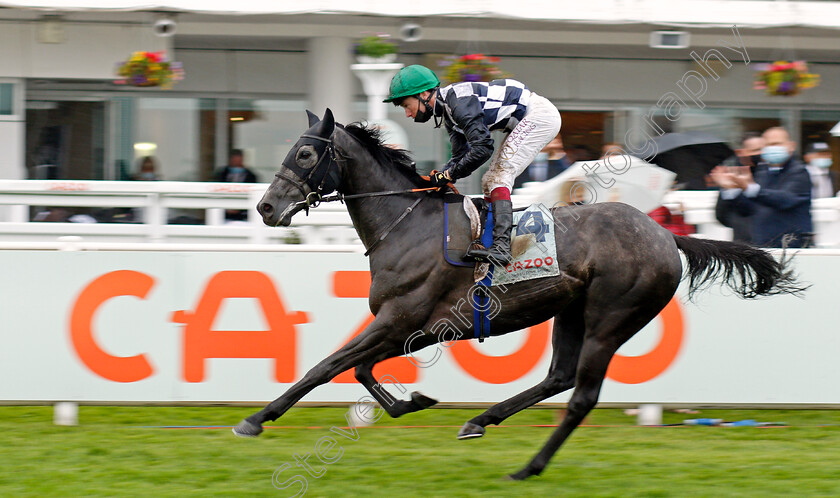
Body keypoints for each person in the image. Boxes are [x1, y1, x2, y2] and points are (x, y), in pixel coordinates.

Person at [385, 64, 562, 265]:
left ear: (424, 94)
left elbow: (483, 149)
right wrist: (438, 178)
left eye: (407, 106)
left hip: (539, 116)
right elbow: (460, 155)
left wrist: (447, 176)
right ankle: (489, 242)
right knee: (489, 181)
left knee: (499, 177)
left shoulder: (457, 103)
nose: (408, 113)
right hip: (528, 117)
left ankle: (502, 247)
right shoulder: (449, 112)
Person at [710, 127, 812, 248]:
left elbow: (785, 200)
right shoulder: (763, 171)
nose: (772, 148)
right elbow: (747, 209)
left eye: (777, 143)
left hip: (791, 245)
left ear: (791, 146)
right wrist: (731, 189)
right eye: (768, 145)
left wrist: (750, 188)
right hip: (763, 245)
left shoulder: (799, 172)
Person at [712, 132, 765, 243]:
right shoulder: (732, 173)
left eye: (763, 149)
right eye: (755, 150)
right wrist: (731, 190)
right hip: (744, 243)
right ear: (741, 152)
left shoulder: (771, 172)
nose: (760, 154)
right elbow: (721, 215)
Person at [214, 149, 259, 221]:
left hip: (243, 215)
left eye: (239, 160)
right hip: (223, 214)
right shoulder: (221, 174)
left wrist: (239, 208)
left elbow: (254, 194)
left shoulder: (250, 176)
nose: (237, 162)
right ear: (231, 159)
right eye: (235, 160)